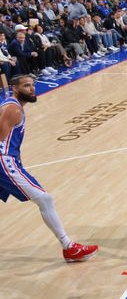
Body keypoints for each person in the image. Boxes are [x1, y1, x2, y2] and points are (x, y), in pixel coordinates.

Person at [0, 74, 98, 262]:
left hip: (8, 161)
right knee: (45, 199)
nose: (32, 89)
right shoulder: (13, 109)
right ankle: (68, 247)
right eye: (26, 86)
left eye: (33, 85)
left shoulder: (12, 106)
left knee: (44, 200)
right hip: (4, 162)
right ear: (15, 88)